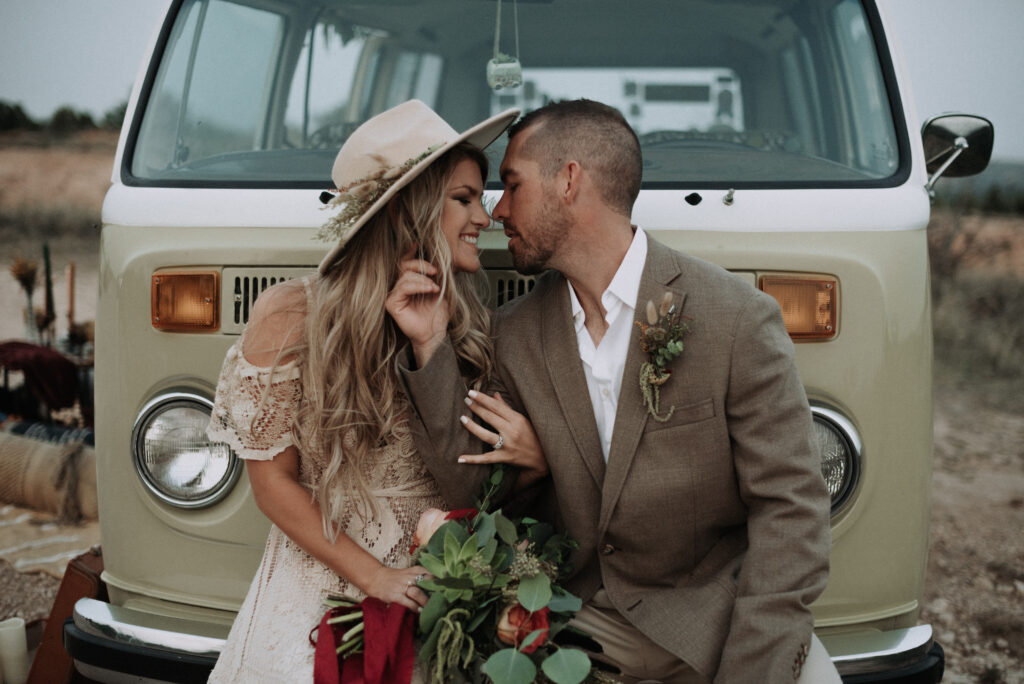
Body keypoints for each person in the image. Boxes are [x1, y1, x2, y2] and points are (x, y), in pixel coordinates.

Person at [394, 99, 840, 683]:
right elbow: (470, 482)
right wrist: (428, 345)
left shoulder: (736, 319)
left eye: (511, 184)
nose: (498, 210)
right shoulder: (515, 333)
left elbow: (791, 513)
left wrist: (752, 670)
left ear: (569, 180)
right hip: (578, 631)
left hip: (713, 626)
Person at [204, 99, 519, 682]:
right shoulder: (292, 317)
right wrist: (375, 577)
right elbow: (272, 485)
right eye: (465, 198)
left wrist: (431, 346)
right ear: (409, 208)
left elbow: (468, 480)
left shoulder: (467, 327)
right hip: (324, 584)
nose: (487, 215)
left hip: (437, 590)